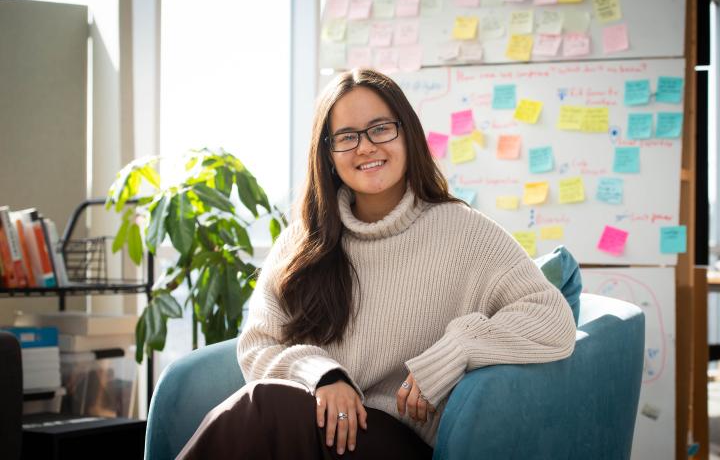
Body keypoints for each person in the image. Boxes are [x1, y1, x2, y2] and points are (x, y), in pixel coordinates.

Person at [177, 68, 576, 459]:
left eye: (381, 129)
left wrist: (455, 349)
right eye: (347, 137)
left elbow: (552, 319)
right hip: (312, 421)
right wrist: (323, 375)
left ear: (408, 134)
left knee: (262, 408)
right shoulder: (305, 239)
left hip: (399, 438)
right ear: (329, 155)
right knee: (265, 409)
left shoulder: (465, 232)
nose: (366, 147)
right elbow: (258, 344)